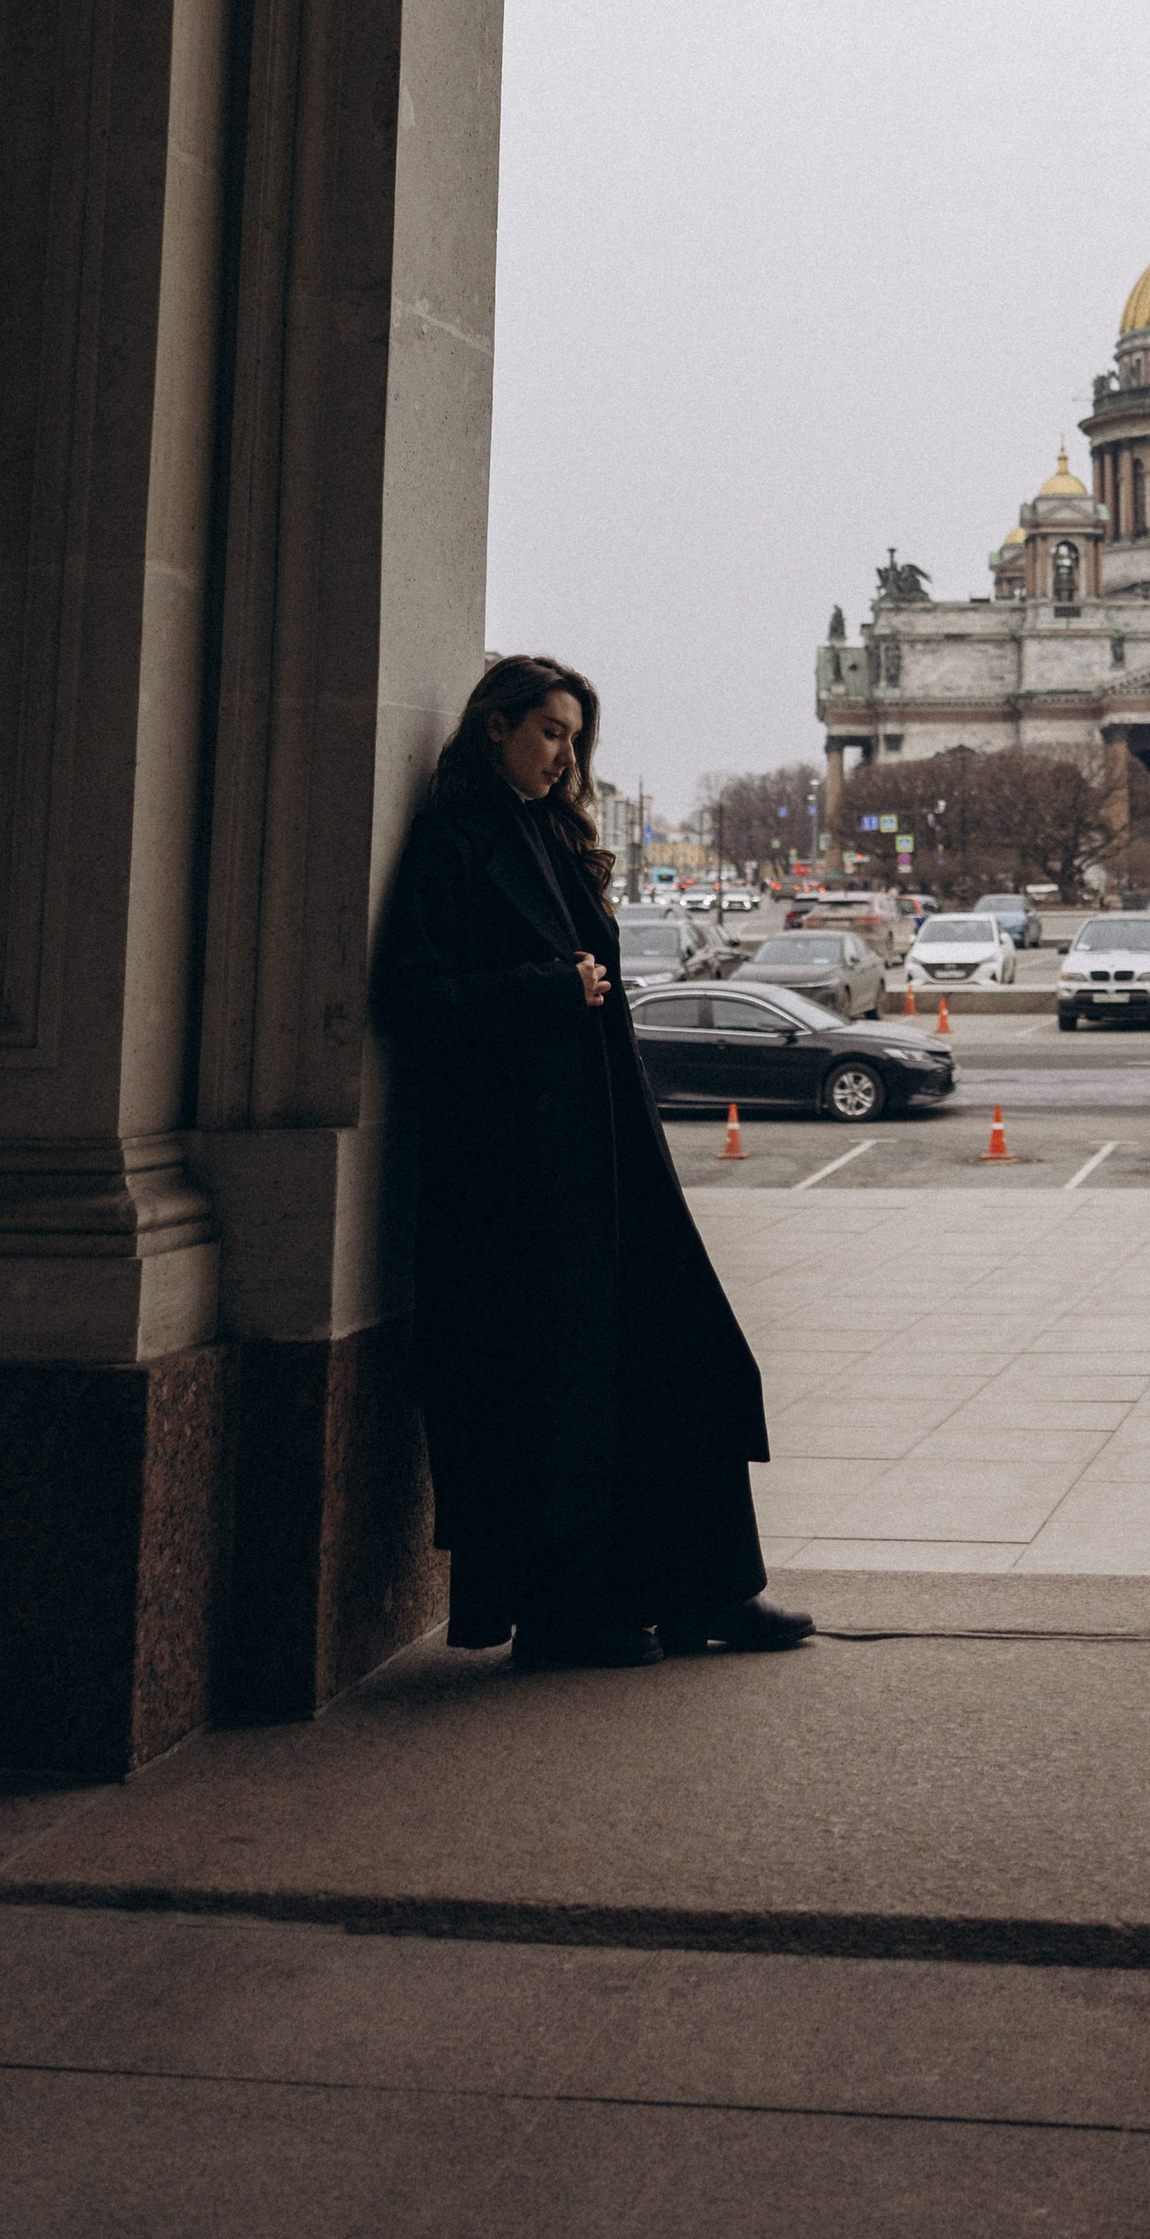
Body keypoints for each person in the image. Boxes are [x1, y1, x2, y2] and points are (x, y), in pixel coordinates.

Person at [375, 653, 812, 1672]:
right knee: (558, 1395)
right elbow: (411, 996)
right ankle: (565, 1614)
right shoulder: (453, 839)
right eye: (551, 732)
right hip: (518, 1175)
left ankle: (707, 1587)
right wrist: (542, 985)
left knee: (684, 1355)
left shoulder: (552, 836)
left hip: (606, 1150)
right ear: (495, 727)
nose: (566, 757)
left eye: (575, 739)